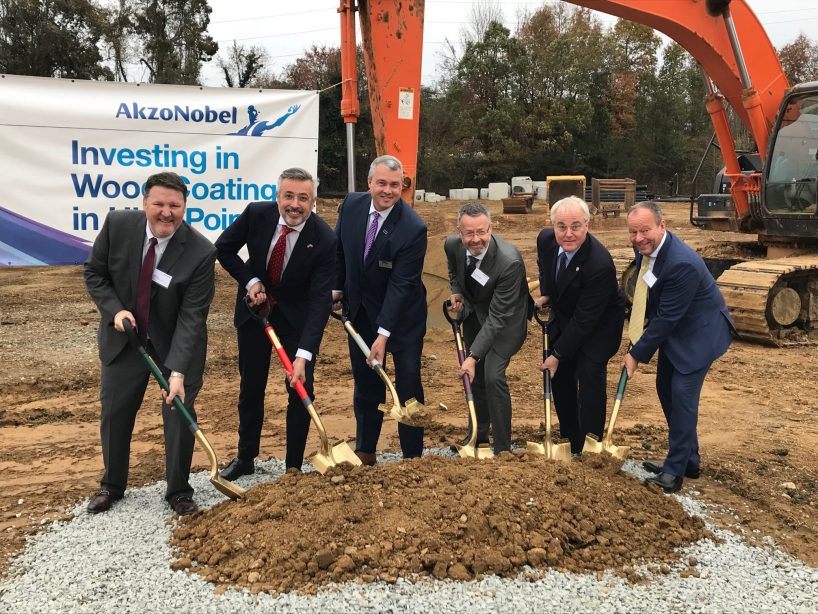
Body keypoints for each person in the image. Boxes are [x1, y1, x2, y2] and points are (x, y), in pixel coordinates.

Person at [84, 171, 217, 515]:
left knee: (178, 412)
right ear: (145, 203)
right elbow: (95, 274)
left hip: (174, 344)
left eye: (175, 205)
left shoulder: (201, 252)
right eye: (159, 203)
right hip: (124, 339)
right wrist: (114, 311)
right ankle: (112, 485)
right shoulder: (117, 226)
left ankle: (178, 491)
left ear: (185, 207)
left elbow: (192, 316)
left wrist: (177, 372)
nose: (166, 212)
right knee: (115, 412)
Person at [215, 168, 335, 477]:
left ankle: (292, 466)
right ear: (277, 196)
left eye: (303, 198)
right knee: (251, 387)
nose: (295, 204)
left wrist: (304, 355)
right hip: (256, 311)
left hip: (297, 318)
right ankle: (245, 458)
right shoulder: (257, 214)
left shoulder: (324, 238)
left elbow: (321, 299)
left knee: (300, 387)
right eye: (289, 196)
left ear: (314, 201)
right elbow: (224, 248)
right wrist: (250, 280)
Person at [624, 201, 735, 493]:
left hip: (700, 333)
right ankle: (689, 460)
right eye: (633, 232)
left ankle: (674, 473)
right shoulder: (644, 248)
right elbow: (650, 292)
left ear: (662, 226)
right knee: (665, 388)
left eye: (645, 230)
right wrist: (636, 328)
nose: (638, 238)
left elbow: (668, 319)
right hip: (676, 329)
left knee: (682, 396)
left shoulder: (681, 262)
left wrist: (637, 353)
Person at [333, 155, 426, 465]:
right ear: (370, 182)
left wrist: (383, 334)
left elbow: (401, 286)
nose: (388, 190)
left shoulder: (413, 228)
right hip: (361, 312)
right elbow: (340, 251)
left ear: (403, 187)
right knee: (367, 379)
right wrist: (337, 288)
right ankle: (366, 449)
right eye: (382, 183)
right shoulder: (351, 205)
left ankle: (412, 455)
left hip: (402, 319)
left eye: (395, 185)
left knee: (408, 380)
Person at [535, 196, 625, 456]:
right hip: (567, 315)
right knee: (560, 377)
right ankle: (569, 439)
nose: (568, 234)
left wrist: (557, 354)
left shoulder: (599, 264)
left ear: (587, 225)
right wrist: (548, 293)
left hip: (599, 325)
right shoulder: (546, 239)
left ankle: (589, 444)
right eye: (561, 226)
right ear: (553, 225)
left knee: (588, 373)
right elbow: (545, 267)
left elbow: (585, 320)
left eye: (576, 226)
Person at [444, 202, 534, 454]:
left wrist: (472, 357)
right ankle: (478, 433)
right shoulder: (452, 244)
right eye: (469, 233)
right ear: (460, 232)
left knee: (492, 375)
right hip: (475, 315)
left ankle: (503, 447)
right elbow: (453, 268)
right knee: (476, 378)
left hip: (506, 322)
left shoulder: (509, 262)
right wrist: (457, 291)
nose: (476, 239)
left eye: (482, 232)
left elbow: (497, 317)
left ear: (491, 228)